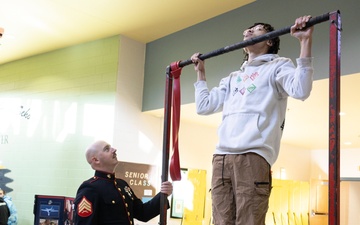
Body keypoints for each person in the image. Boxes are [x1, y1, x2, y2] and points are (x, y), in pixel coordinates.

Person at [190, 15, 314, 225]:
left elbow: (301, 90)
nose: (248, 32)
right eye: (247, 29)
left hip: (253, 154)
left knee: (249, 220)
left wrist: (305, 42)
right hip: (221, 156)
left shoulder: (278, 66)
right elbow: (204, 106)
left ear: (270, 41)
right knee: (220, 221)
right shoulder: (231, 78)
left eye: (256, 29)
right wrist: (200, 73)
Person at [74, 140, 173, 225]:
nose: (114, 149)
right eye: (107, 149)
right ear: (96, 160)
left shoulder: (122, 185)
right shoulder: (90, 189)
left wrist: (163, 194)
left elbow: (143, 213)